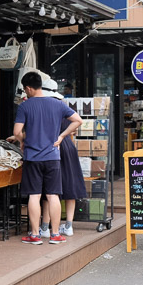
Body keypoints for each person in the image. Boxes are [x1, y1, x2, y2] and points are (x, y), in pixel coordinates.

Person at [12, 72, 82, 245]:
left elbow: (16, 132)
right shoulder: (57, 104)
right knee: (53, 196)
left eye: (24, 89)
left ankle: (35, 235)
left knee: (34, 196)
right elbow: (77, 120)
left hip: (32, 158)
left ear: (28, 88)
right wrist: (61, 137)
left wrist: (22, 141)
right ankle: (55, 234)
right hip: (52, 157)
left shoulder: (25, 106)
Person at [36, 81, 85, 238]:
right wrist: (64, 135)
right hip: (68, 146)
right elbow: (75, 126)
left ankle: (44, 227)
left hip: (51, 146)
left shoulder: (42, 108)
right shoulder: (63, 106)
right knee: (70, 184)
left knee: (49, 188)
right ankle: (69, 226)